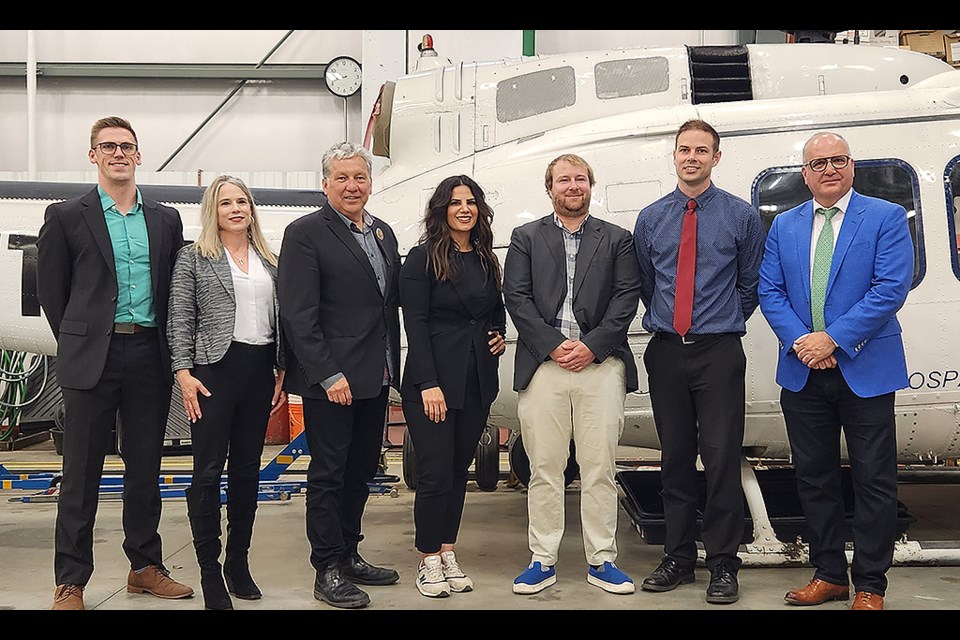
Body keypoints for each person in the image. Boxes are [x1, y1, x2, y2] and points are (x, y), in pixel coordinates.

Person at [36, 116, 194, 610]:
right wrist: (80, 337)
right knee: (80, 473)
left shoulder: (165, 219)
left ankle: (145, 566)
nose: (118, 153)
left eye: (127, 146)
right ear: (93, 156)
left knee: (145, 468)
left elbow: (172, 289)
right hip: (91, 357)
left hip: (148, 352)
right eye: (108, 146)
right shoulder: (65, 215)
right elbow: (52, 292)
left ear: (139, 155)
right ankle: (71, 581)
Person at [758, 132, 913, 611]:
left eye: (838, 160)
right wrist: (804, 344)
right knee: (814, 478)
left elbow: (890, 288)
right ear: (804, 173)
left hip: (865, 367)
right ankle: (829, 574)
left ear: (852, 166)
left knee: (874, 481)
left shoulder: (885, 217)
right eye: (818, 163)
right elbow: (770, 291)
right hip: (803, 371)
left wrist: (834, 339)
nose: (829, 169)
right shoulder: (784, 225)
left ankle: (870, 584)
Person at [632, 119, 764, 605]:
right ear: (674, 156)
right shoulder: (651, 218)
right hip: (667, 352)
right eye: (684, 149)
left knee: (722, 458)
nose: (692, 157)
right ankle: (678, 557)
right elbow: (647, 283)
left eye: (702, 150)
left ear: (716, 157)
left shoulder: (741, 216)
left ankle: (724, 564)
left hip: (718, 352)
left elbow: (749, 284)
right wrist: (675, 323)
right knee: (674, 461)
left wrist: (720, 320)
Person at [503, 153, 641, 596]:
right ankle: (542, 559)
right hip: (544, 367)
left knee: (599, 467)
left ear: (590, 185)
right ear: (550, 189)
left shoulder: (617, 239)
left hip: (600, 366)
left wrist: (590, 346)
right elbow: (516, 298)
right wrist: (553, 345)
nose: (572, 186)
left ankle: (602, 560)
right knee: (545, 468)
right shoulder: (525, 237)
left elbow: (626, 298)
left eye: (579, 179)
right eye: (563, 180)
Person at [277, 141, 402, 610]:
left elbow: (385, 305)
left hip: (376, 374)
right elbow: (298, 313)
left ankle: (349, 553)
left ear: (371, 182)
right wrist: (328, 374)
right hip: (332, 380)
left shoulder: (383, 233)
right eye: (342, 178)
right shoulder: (305, 233)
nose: (353, 186)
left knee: (360, 471)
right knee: (328, 474)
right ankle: (326, 567)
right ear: (325, 183)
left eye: (360, 177)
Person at [167, 174, 287, 610]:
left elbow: (281, 322)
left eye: (242, 201)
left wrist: (281, 369)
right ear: (212, 212)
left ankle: (238, 561)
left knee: (247, 471)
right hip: (213, 373)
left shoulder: (269, 260)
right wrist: (183, 371)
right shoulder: (194, 259)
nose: (236, 209)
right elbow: (180, 317)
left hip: (259, 371)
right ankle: (208, 569)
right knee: (207, 471)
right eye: (225, 203)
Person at [399, 175, 507, 598]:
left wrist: (497, 333)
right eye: (455, 202)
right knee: (435, 472)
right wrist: (427, 382)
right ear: (441, 209)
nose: (464, 209)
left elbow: (493, 310)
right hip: (434, 383)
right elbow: (416, 324)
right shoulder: (421, 259)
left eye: (471, 202)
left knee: (458, 472)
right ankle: (427, 559)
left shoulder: (485, 259)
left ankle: (447, 550)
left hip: (476, 380)